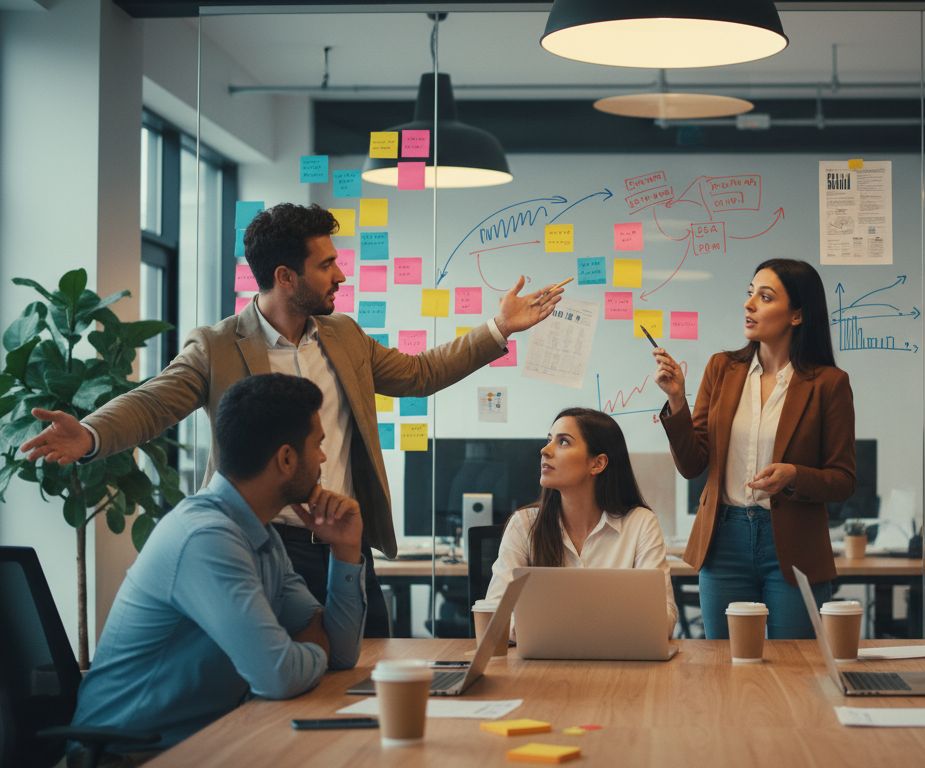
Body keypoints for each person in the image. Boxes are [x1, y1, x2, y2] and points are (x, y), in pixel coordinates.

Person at [18, 203, 564, 636]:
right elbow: (155, 400)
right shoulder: (217, 346)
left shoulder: (344, 335)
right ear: (285, 276)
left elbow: (419, 374)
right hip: (265, 548)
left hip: (347, 543)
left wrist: (497, 329)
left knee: (363, 670)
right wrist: (90, 433)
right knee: (283, 689)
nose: (340, 274)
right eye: (326, 265)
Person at [71, 374, 366, 755]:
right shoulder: (206, 539)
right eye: (318, 445)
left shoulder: (261, 536)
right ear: (287, 459)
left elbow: (340, 653)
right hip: (128, 755)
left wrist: (346, 550)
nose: (324, 458)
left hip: (203, 740)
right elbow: (277, 675)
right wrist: (312, 647)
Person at [652, 258, 855, 640]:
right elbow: (693, 464)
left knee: (795, 670)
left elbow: (843, 480)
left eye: (765, 297)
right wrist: (677, 401)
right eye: (750, 294)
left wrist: (795, 475)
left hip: (793, 544)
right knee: (722, 667)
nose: (749, 305)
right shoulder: (722, 369)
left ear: (796, 315)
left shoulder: (828, 383)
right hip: (723, 539)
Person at [483, 407, 677, 635]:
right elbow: (494, 612)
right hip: (540, 665)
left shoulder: (640, 523)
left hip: (618, 665)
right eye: (549, 440)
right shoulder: (524, 524)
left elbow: (663, 618)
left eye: (563, 442)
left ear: (598, 464)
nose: (545, 450)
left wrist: (554, 628)